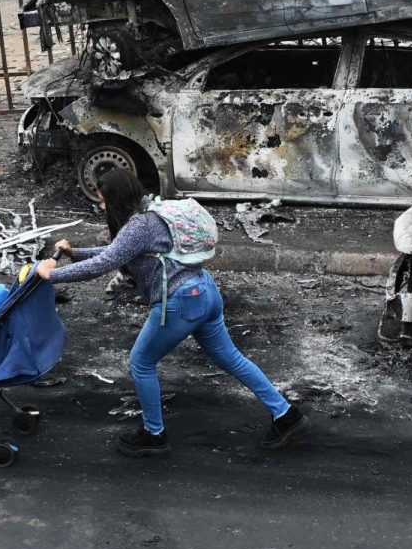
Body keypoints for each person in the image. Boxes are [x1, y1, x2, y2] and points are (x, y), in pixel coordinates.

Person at [37, 169, 307, 456]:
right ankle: (286, 415)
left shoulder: (138, 227)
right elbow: (115, 252)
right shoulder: (152, 212)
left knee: (141, 362)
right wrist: (74, 252)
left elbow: (104, 264)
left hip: (182, 301)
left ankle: (154, 434)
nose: (102, 207)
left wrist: (52, 275)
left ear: (116, 199)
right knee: (232, 359)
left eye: (104, 202)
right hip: (204, 291)